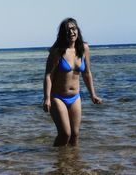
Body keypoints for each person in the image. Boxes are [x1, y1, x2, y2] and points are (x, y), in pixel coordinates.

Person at [43, 17, 102, 146]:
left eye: (73, 29)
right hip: (57, 97)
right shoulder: (57, 51)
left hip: (75, 97)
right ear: (63, 34)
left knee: (75, 135)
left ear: (78, 31)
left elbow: (86, 73)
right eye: (68, 30)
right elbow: (48, 76)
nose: (71, 32)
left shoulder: (84, 48)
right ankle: (57, 159)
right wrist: (47, 98)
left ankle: (73, 162)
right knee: (65, 134)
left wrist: (93, 94)